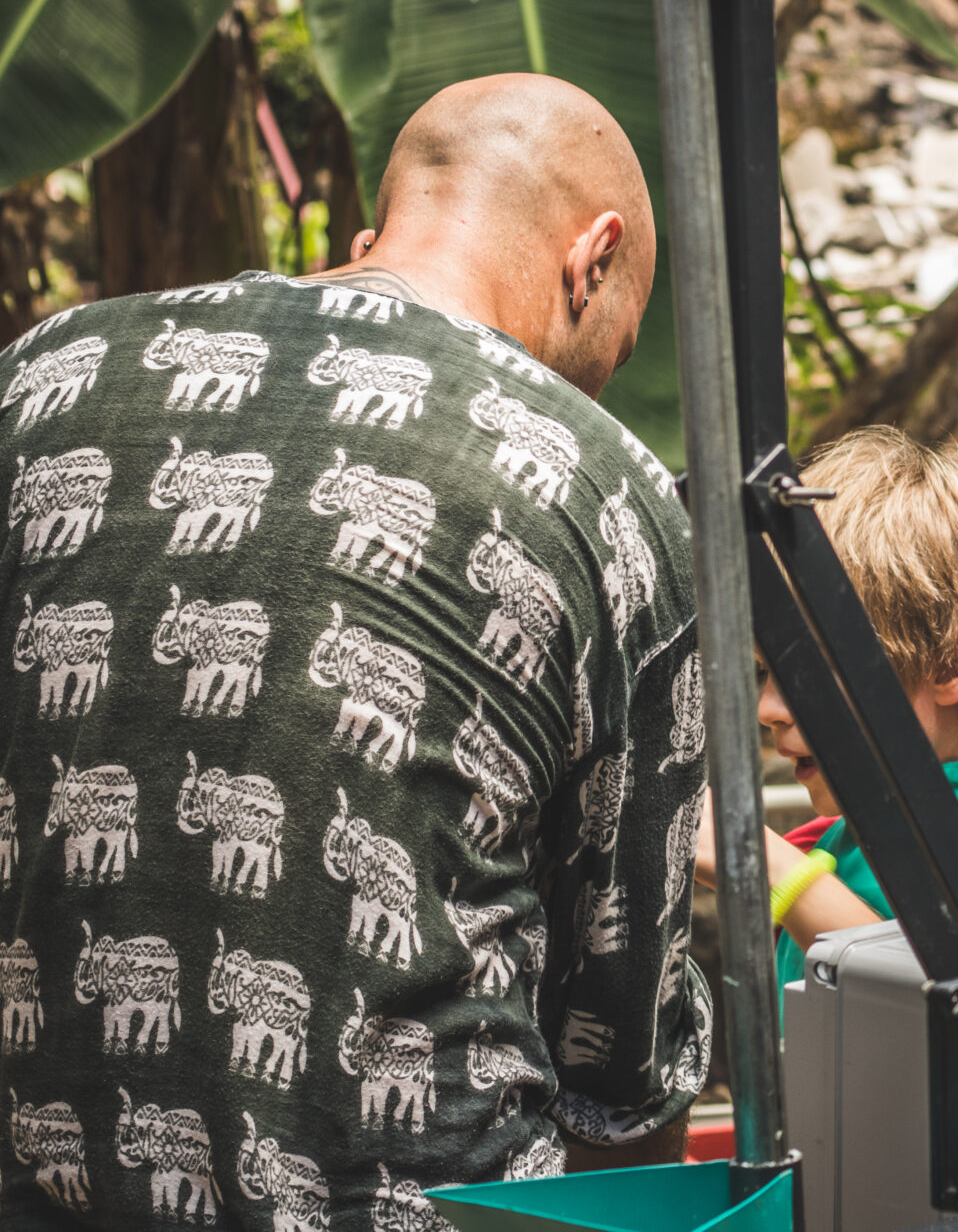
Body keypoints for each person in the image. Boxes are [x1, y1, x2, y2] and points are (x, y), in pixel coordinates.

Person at [0, 74, 711, 1229]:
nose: (590, 387)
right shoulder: (605, 492)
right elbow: (618, 1046)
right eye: (610, 346)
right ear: (593, 258)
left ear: (368, 239)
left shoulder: (45, 375)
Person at [689, 427, 958, 991]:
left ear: (951, 665)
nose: (769, 708)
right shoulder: (815, 847)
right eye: (763, 671)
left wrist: (780, 876)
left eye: (811, 671)